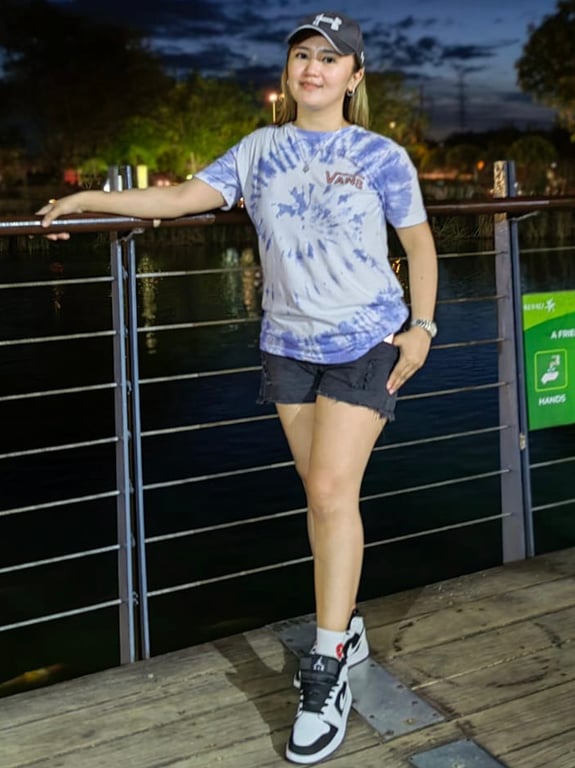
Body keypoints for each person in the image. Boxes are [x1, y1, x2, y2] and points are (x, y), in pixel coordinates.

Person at [38, 10, 438, 765]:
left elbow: (418, 244)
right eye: (302, 55)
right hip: (287, 348)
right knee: (322, 497)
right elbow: (180, 198)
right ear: (288, 70)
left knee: (329, 491)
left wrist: (421, 326)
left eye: (330, 58)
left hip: (366, 342)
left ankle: (326, 667)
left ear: (354, 76)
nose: (313, 68)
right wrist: (91, 199)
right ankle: (345, 627)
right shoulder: (259, 149)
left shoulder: (380, 155)